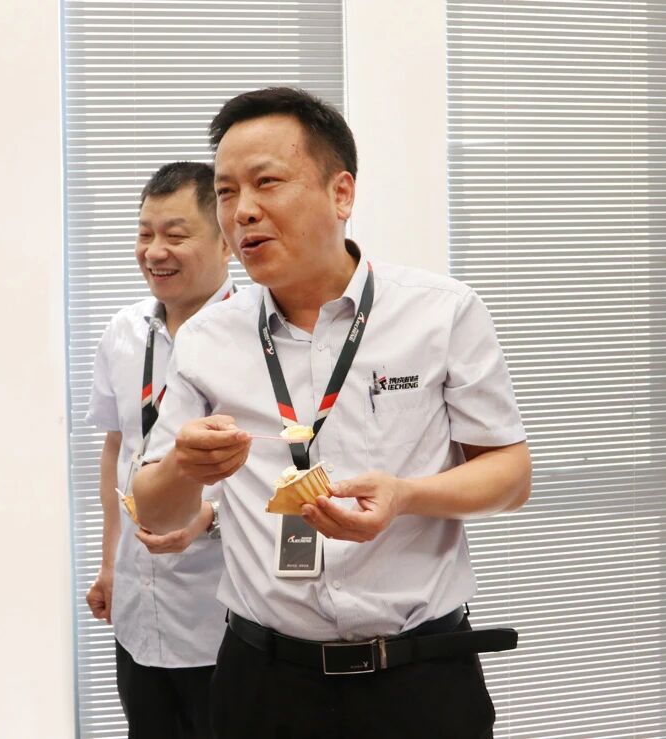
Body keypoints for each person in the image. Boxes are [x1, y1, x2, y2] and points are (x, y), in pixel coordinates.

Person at [132, 88, 532, 739]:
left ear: (341, 193)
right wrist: (183, 464)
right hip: (264, 682)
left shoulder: (441, 312)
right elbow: (155, 513)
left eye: (267, 182)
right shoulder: (207, 337)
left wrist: (406, 495)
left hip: (419, 678)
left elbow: (511, 476)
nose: (243, 210)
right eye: (226, 192)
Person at [84, 161, 235, 738]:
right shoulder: (123, 332)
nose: (154, 251)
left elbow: (292, 471)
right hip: (137, 616)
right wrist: (109, 563)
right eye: (145, 233)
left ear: (226, 243)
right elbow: (118, 447)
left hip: (224, 622)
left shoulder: (261, 339)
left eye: (175, 234)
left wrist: (208, 516)